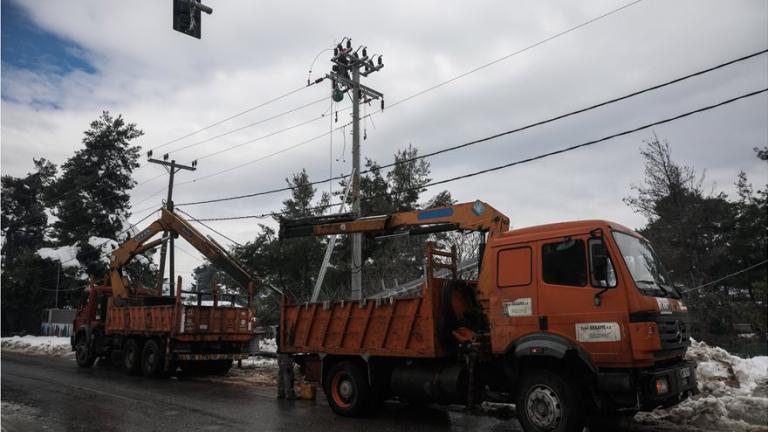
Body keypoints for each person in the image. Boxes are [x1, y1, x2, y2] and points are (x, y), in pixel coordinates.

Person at [275, 326, 296, 399]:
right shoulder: (284, 333)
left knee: (281, 373)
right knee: (287, 373)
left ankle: (280, 393)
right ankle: (288, 393)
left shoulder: (279, 332)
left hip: (280, 354)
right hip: (285, 355)